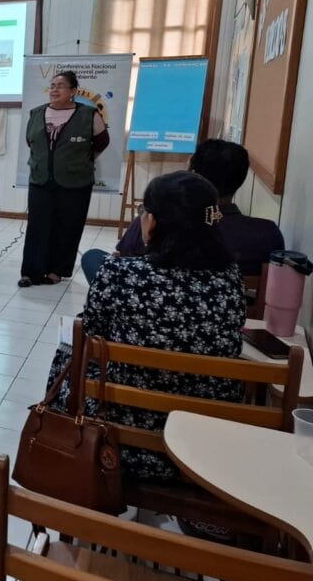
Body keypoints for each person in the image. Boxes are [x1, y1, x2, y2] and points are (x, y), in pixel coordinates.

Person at [45, 171, 246, 481]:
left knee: (69, 348)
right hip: (205, 446)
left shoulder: (120, 273)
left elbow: (91, 336)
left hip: (120, 436)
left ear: (151, 223)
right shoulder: (230, 278)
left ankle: (60, 456)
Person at [81, 139, 284, 284]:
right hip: (221, 322)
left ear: (192, 176)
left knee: (94, 257)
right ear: (241, 179)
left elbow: (124, 257)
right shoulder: (266, 234)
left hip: (143, 302)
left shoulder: (158, 219)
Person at [19, 71, 109, 288]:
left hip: (75, 181)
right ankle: (32, 271)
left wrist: (80, 162)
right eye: (52, 85)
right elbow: (32, 143)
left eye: (60, 86)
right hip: (41, 179)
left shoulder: (88, 113)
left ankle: (56, 270)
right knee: (37, 226)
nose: (54, 90)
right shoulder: (37, 113)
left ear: (73, 91)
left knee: (67, 226)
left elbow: (101, 142)